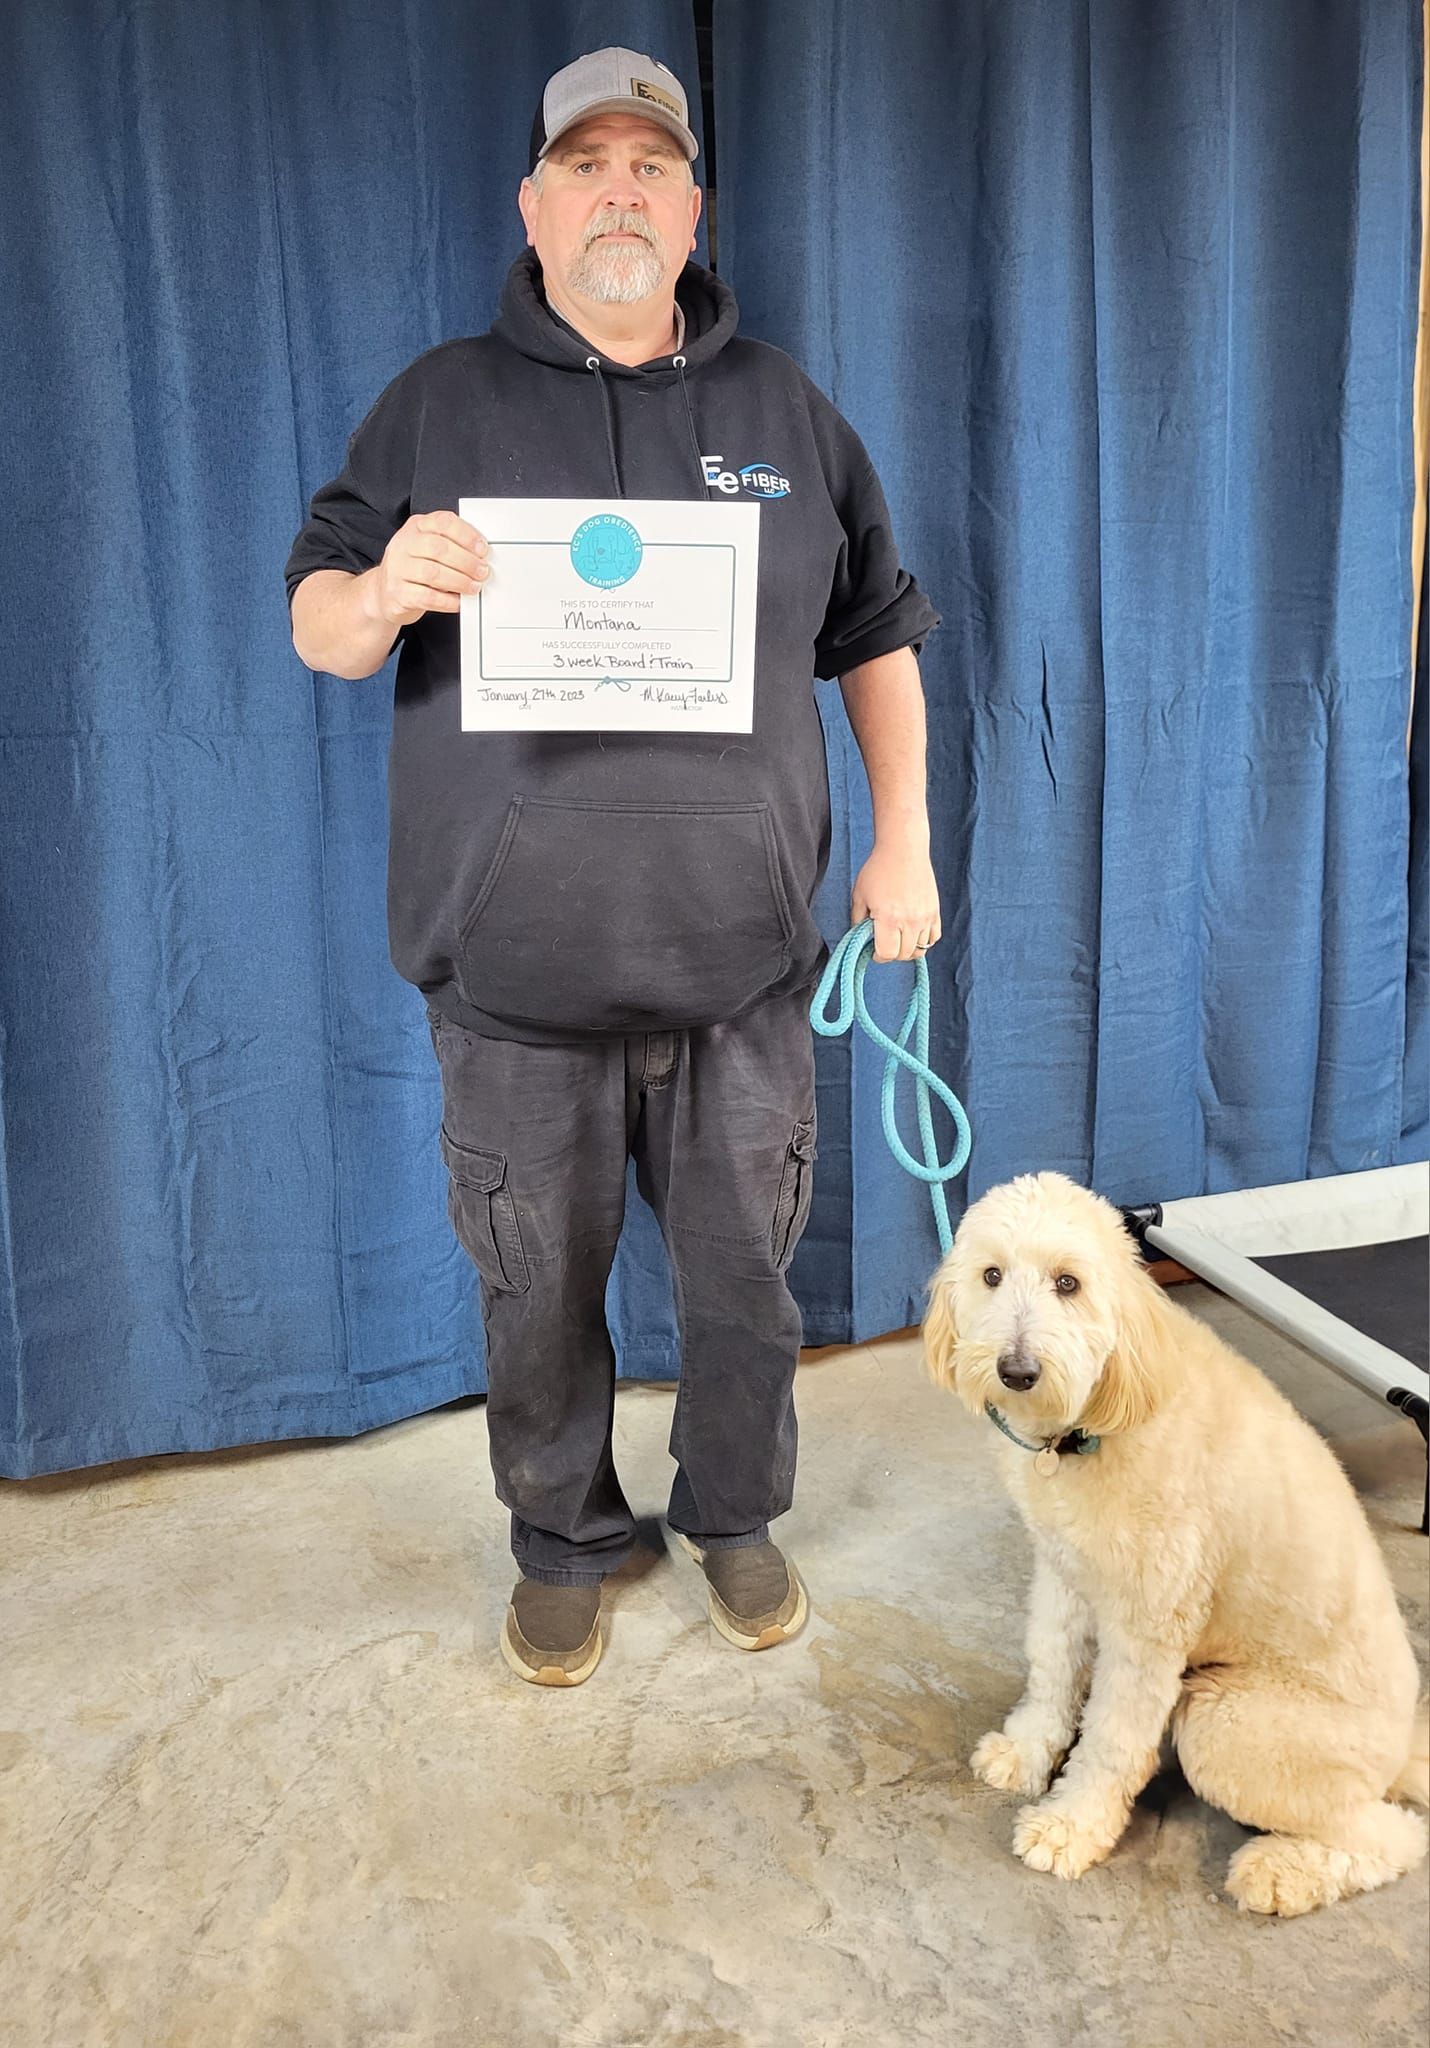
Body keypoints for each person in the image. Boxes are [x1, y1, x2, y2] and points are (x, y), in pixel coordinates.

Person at [285, 47, 941, 1686]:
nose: (619, 191)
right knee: (533, 1300)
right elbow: (317, 622)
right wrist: (380, 596)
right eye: (585, 163)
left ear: (693, 205)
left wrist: (904, 846)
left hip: (740, 975)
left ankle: (735, 1518)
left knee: (744, 1297)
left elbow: (875, 638)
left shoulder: (785, 410)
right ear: (534, 202)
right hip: (510, 979)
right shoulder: (437, 401)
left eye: (650, 164)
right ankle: (564, 1540)